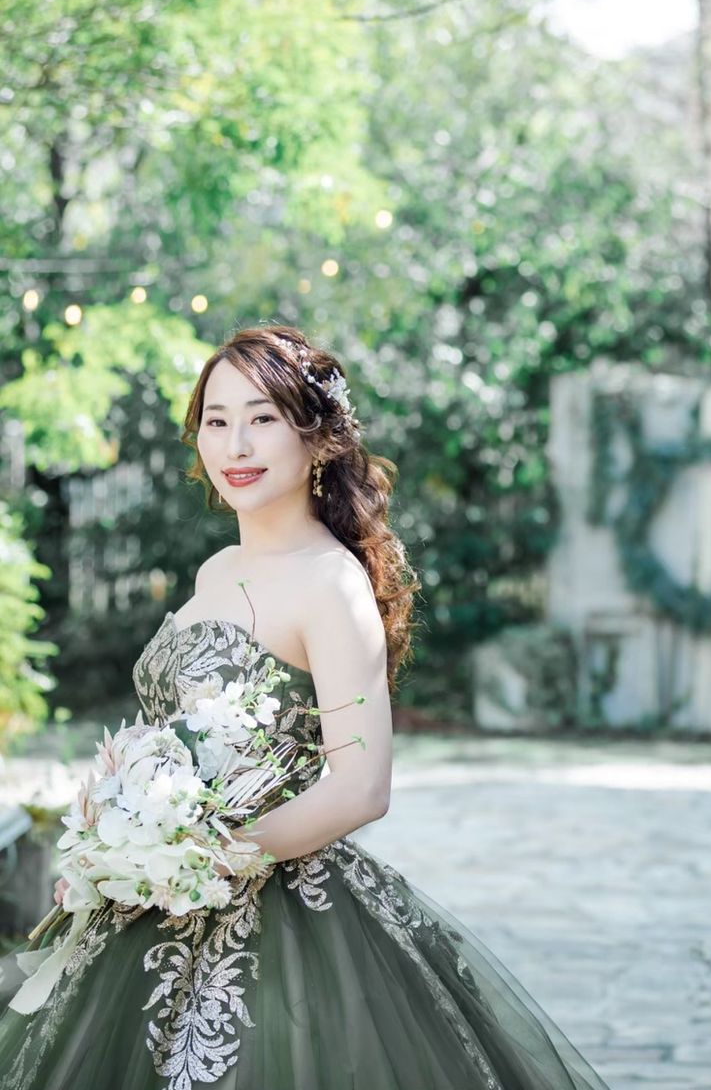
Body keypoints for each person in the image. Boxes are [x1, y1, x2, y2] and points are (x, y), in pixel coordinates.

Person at [0, 325, 611, 1090]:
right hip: (147, 905)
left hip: (278, 913)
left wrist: (201, 860)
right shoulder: (217, 569)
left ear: (316, 438)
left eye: (262, 418)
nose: (236, 445)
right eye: (217, 421)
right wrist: (113, 849)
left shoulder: (331, 584)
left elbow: (361, 788)